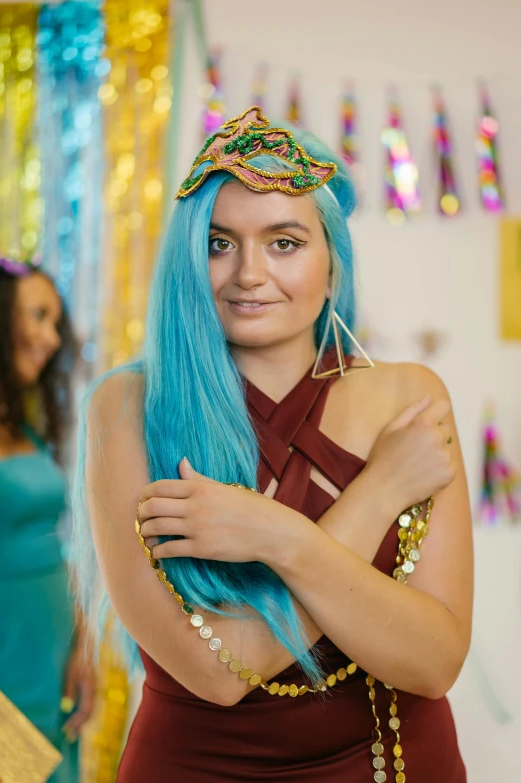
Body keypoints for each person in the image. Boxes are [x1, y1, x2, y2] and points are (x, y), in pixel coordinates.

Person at [75, 107, 472, 782]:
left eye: (284, 242)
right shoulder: (126, 407)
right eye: (220, 243)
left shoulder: (410, 398)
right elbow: (218, 671)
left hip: (389, 766)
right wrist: (371, 495)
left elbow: (433, 662)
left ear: (334, 264)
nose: (248, 274)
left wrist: (269, 535)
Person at [0, 257, 95, 782]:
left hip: (53, 667)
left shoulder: (23, 427)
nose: (51, 338)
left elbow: (54, 548)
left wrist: (82, 644)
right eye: (37, 316)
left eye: (54, 322)